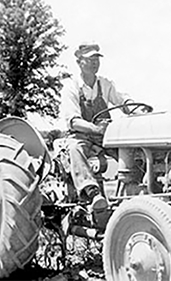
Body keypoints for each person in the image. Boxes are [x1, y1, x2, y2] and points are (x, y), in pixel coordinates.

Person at [61, 42, 135, 215]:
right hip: (81, 136)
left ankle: (134, 190)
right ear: (79, 62)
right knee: (75, 149)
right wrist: (95, 129)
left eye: (97, 58)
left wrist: (135, 108)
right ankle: (92, 193)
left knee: (131, 152)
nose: (95, 62)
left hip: (105, 136)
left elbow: (122, 100)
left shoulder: (105, 84)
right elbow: (73, 121)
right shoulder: (71, 87)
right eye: (90, 59)